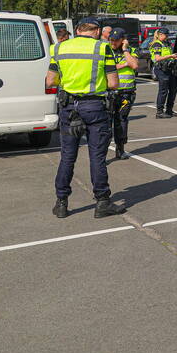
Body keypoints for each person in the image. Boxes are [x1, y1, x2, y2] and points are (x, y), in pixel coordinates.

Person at [47, 17, 126, 219]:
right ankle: (102, 202)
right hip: (94, 107)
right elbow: (114, 83)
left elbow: (51, 80)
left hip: (68, 107)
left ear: (78, 30)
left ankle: (61, 203)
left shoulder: (58, 48)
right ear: (97, 31)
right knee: (97, 156)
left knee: (67, 156)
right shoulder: (102, 48)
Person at [108, 28, 138, 160]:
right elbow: (108, 67)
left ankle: (120, 149)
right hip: (109, 91)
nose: (113, 42)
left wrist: (125, 50)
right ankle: (102, 151)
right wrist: (125, 64)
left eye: (116, 40)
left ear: (123, 40)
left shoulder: (131, 50)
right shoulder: (106, 50)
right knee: (106, 122)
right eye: (111, 40)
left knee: (121, 120)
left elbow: (135, 65)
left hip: (126, 92)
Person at [150, 28, 177, 118]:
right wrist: (170, 56)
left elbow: (168, 55)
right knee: (163, 91)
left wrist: (174, 58)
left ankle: (169, 110)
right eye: (165, 35)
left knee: (173, 89)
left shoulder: (166, 43)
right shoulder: (157, 44)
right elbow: (157, 58)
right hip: (161, 69)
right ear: (160, 34)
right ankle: (159, 112)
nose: (167, 37)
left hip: (169, 68)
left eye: (167, 35)